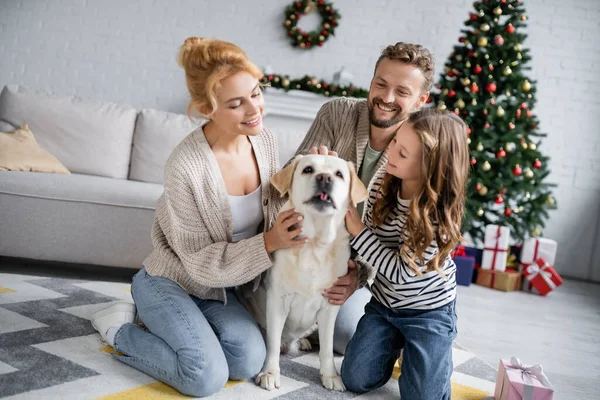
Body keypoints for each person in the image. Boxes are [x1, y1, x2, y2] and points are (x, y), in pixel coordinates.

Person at [90, 37, 306, 398]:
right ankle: (119, 328)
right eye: (236, 103)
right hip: (173, 279)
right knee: (204, 376)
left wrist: (307, 170)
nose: (254, 109)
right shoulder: (185, 167)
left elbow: (272, 203)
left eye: (256, 92)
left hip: (222, 289)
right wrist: (270, 243)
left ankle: (174, 328)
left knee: (248, 360)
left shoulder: (264, 140)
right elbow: (199, 264)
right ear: (207, 108)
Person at [295, 42, 436, 354]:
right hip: (306, 250)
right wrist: (304, 171)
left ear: (421, 100)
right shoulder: (337, 113)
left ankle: (323, 327)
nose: (386, 99)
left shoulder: (417, 151)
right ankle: (307, 322)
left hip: (359, 267)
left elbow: (399, 243)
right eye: (380, 84)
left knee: (348, 337)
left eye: (402, 91)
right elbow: (286, 189)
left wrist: (358, 274)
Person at [341, 108, 470, 399]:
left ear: (431, 167)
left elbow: (401, 274)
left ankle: (433, 351)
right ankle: (398, 344)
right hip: (385, 305)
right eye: (395, 142)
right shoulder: (382, 185)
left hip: (429, 311)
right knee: (355, 379)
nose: (391, 152)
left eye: (403, 152)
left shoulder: (436, 216)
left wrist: (357, 231)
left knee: (423, 396)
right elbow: (375, 247)